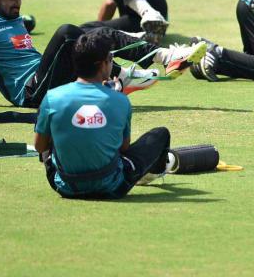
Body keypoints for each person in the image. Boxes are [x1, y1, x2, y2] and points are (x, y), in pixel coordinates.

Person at [0, 0, 205, 110]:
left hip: (48, 79)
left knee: (95, 36)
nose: (17, 3)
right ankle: (125, 76)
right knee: (67, 32)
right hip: (29, 94)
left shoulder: (16, 21)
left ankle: (160, 60)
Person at [34, 30, 181, 199]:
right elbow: (123, 148)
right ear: (103, 64)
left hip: (65, 186)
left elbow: (40, 147)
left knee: (49, 125)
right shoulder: (120, 101)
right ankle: (148, 174)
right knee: (161, 134)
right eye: (111, 59)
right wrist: (113, 95)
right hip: (111, 186)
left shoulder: (52, 97)